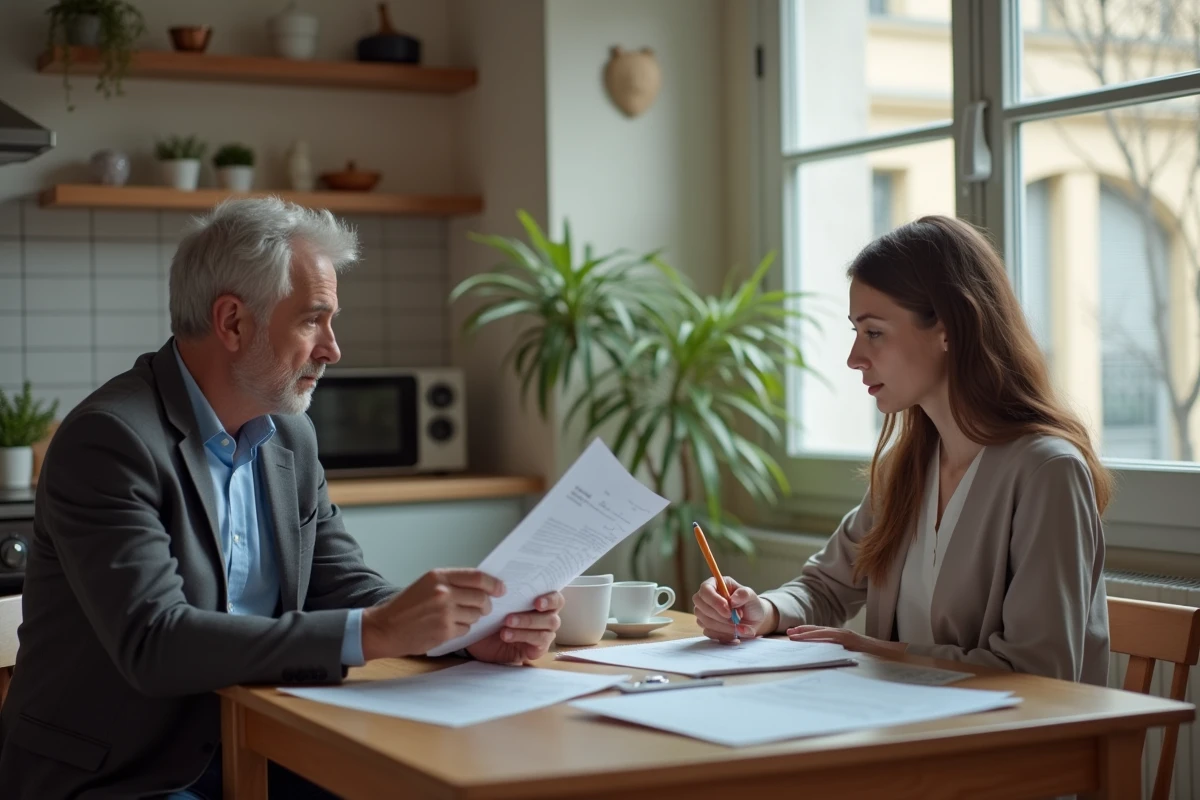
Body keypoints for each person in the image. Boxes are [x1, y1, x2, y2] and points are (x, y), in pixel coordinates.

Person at [0, 197, 563, 799]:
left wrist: (458, 631)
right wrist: (377, 631)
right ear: (233, 322)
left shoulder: (288, 435)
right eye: (312, 320)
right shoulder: (111, 440)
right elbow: (155, 642)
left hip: (260, 740)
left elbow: (343, 585)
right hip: (121, 775)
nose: (332, 349)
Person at [692, 215, 1112, 685]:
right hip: (912, 732)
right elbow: (826, 585)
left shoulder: (1047, 472)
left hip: (1009, 747)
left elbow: (1039, 671)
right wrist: (763, 610)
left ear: (949, 327)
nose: (854, 358)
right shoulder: (905, 469)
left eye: (873, 332)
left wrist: (882, 653)